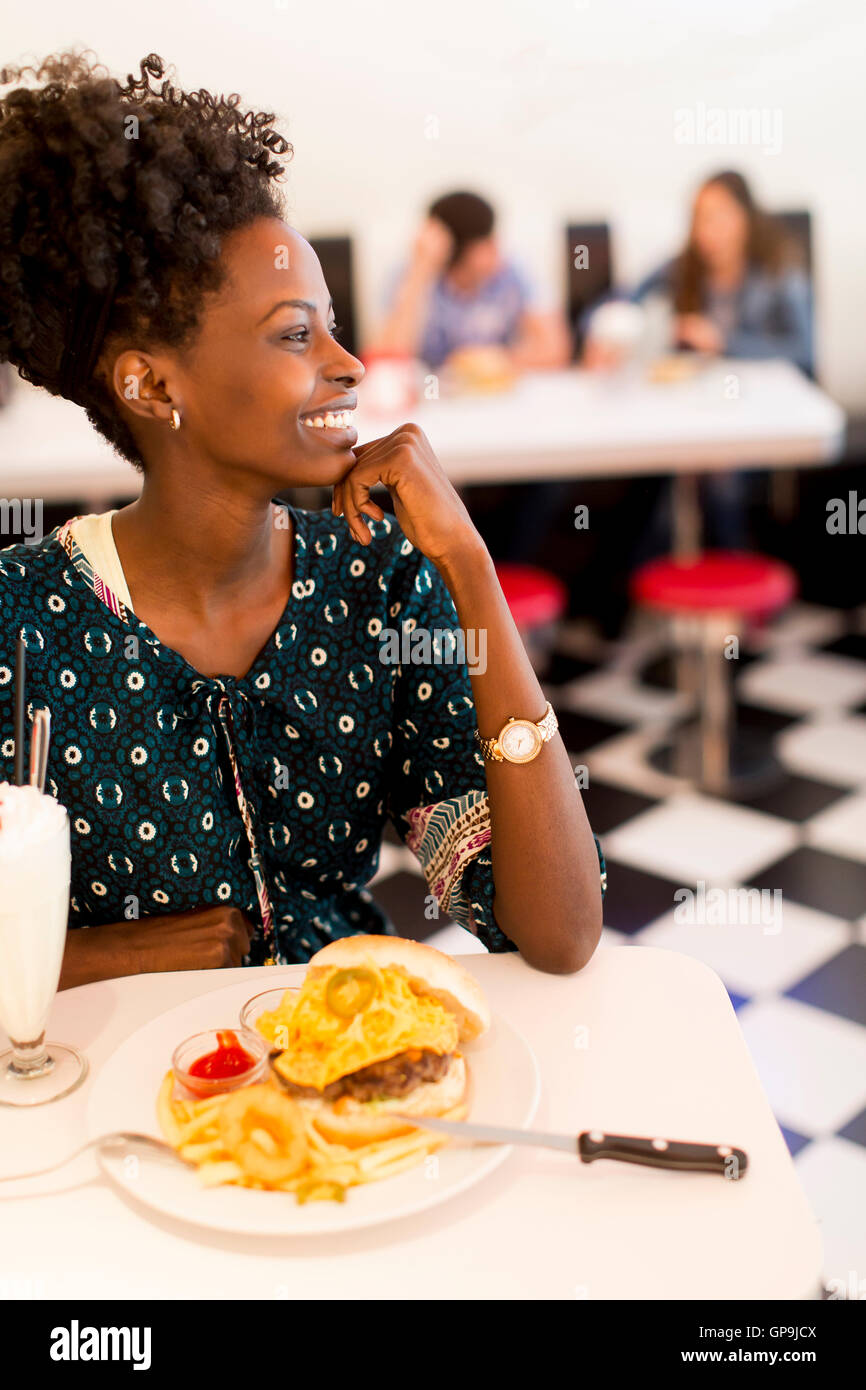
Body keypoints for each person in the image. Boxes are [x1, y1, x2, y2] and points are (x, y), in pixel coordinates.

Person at [0, 51, 605, 988]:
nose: (350, 362)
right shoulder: (22, 620)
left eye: (330, 324)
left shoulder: (382, 582)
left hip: (350, 1081)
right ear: (153, 385)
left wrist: (472, 572)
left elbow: (557, 934)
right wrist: (95, 958)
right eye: (296, 334)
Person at [582, 169, 814, 576]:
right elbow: (617, 302)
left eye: (718, 216)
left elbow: (803, 352)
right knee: (650, 465)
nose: (707, 230)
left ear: (745, 217)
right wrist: (605, 332)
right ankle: (630, 596)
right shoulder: (681, 266)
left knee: (719, 473)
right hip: (689, 413)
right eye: (699, 217)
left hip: (755, 418)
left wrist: (723, 342)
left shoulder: (778, 271)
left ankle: (735, 601)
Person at [368, 190, 571, 371]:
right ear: (455, 250)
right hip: (434, 400)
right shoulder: (411, 275)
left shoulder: (514, 271)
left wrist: (490, 363)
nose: (496, 249)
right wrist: (421, 271)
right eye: (486, 242)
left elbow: (555, 350)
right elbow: (387, 361)